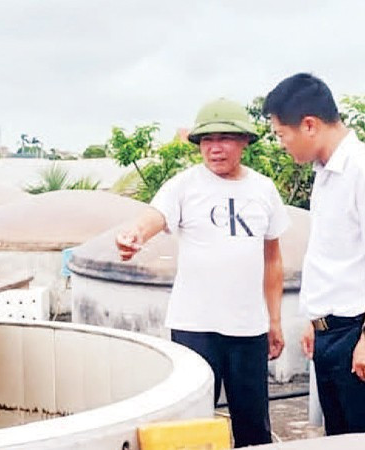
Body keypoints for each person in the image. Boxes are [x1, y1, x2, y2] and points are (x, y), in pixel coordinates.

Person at [116, 98, 290, 447]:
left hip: (248, 327)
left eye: (225, 138)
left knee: (253, 424)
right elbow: (155, 217)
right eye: (207, 140)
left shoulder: (263, 189)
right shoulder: (183, 185)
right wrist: (134, 234)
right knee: (193, 422)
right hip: (194, 326)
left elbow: (272, 260)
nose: (215, 148)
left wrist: (274, 320)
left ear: (244, 142)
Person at [263, 73, 365, 436]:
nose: (282, 144)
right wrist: (317, 319)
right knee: (341, 440)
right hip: (333, 333)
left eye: (282, 134)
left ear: (309, 124)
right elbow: (332, 252)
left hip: (361, 330)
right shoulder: (326, 174)